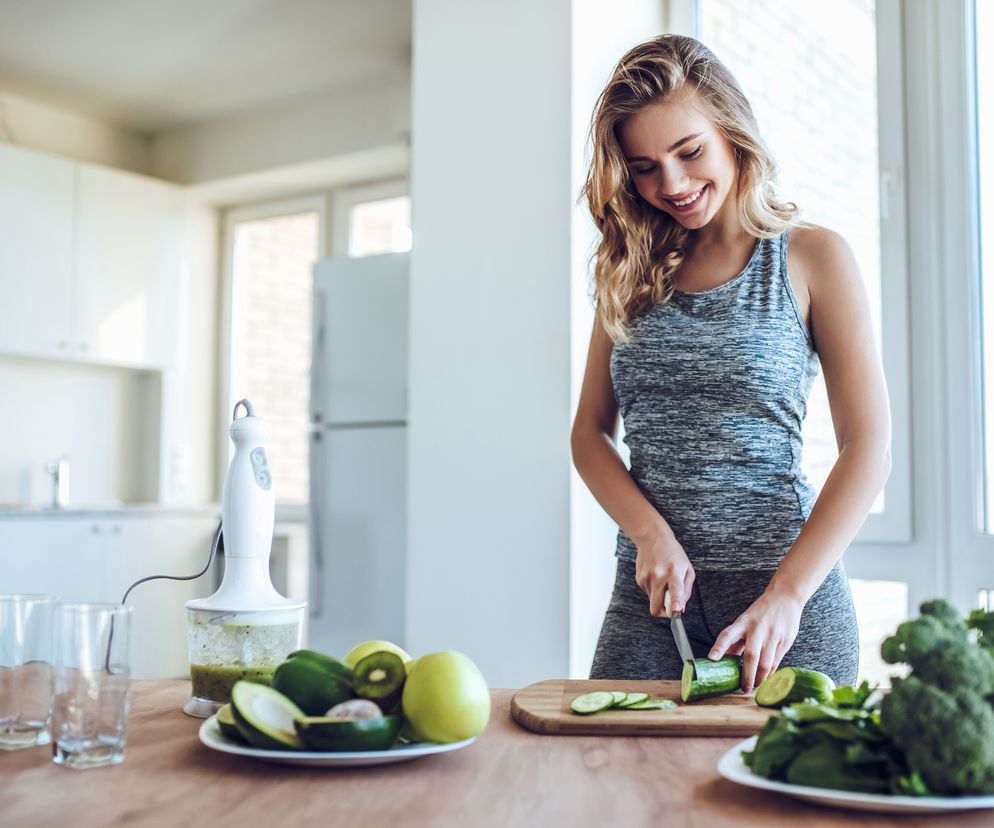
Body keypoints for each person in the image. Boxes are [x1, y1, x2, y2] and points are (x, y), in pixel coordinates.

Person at [571, 34, 892, 693]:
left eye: (689, 152)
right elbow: (589, 434)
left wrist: (789, 595)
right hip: (651, 604)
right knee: (617, 788)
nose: (673, 184)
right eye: (644, 166)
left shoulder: (812, 258)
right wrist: (648, 534)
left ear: (732, 132)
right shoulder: (625, 271)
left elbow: (870, 445)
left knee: (781, 795)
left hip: (784, 602)